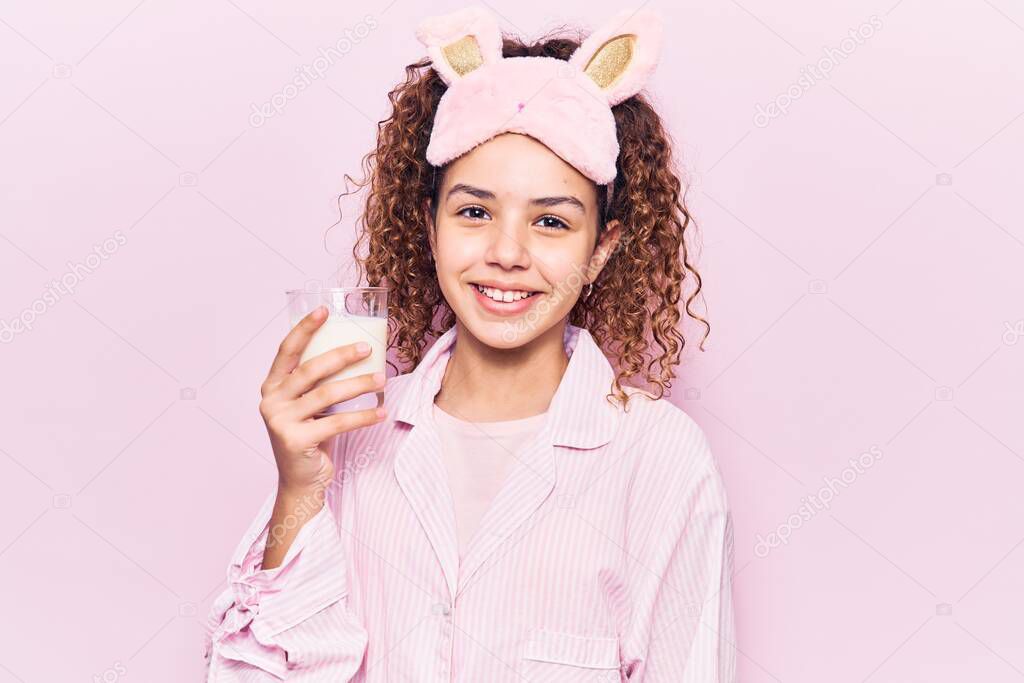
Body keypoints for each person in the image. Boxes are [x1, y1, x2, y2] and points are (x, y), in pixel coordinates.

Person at [203, 5, 737, 681]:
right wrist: (298, 491)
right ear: (430, 227)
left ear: (602, 249)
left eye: (550, 220)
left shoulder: (659, 458)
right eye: (475, 211)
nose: (506, 253)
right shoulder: (347, 438)